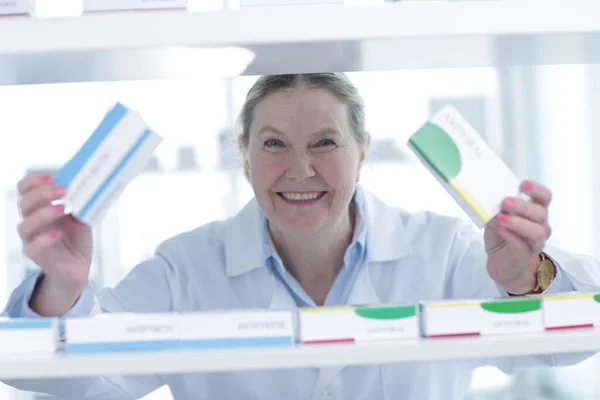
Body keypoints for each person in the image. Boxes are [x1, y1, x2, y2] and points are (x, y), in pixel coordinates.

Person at [3, 73, 600, 400]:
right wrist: (60, 283)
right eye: (272, 144)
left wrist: (527, 277)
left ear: (362, 151)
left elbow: (569, 344)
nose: (299, 169)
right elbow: (81, 385)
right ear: (242, 154)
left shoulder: (442, 251)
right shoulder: (183, 267)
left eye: (324, 142)